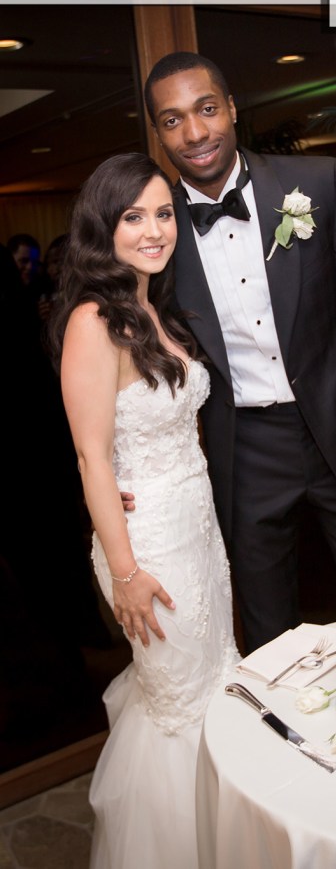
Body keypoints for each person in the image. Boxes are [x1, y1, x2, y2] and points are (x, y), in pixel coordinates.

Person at [138, 51, 336, 653]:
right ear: (157, 132)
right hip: (243, 448)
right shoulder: (157, 234)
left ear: (232, 108)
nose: (194, 133)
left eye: (206, 109)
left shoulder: (315, 186)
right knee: (268, 634)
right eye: (172, 120)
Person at [49, 152, 239, 869]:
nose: (155, 229)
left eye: (164, 213)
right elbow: (93, 457)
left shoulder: (150, 310)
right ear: (105, 226)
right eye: (134, 216)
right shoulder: (94, 320)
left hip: (196, 531)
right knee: (179, 703)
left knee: (211, 683)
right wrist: (124, 570)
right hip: (148, 546)